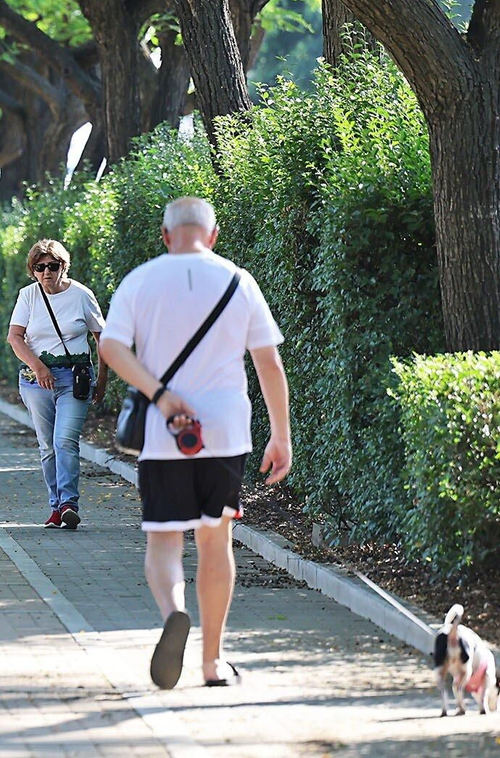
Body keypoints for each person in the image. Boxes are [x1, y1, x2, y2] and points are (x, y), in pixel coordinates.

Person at [98, 196, 293, 690]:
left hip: (166, 436)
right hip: (225, 433)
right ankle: (212, 663)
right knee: (215, 540)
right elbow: (268, 363)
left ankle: (172, 613)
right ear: (213, 234)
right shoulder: (239, 280)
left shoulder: (139, 281)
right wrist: (281, 434)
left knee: (164, 539)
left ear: (165, 236)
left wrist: (161, 397)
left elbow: (111, 346)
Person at [6, 239, 108, 531]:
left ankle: (68, 505)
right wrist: (38, 367)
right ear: (33, 270)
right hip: (36, 381)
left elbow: (102, 338)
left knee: (65, 440)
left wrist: (101, 379)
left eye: (53, 266)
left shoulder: (81, 295)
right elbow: (15, 337)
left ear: (64, 266)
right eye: (40, 267)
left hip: (74, 380)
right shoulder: (28, 296)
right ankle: (55, 506)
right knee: (48, 446)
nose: (47, 272)